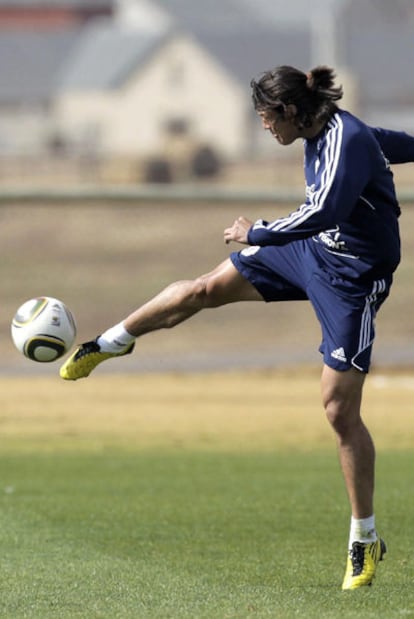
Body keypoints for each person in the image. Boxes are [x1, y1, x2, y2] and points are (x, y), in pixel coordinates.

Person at [60, 65, 414, 590]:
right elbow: (394, 149)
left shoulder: (348, 139)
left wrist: (258, 231)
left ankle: (364, 538)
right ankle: (108, 342)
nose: (265, 128)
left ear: (290, 111)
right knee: (204, 289)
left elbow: (325, 209)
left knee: (339, 409)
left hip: (353, 281)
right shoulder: (324, 132)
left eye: (267, 118)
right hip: (310, 253)